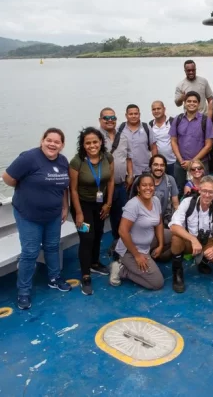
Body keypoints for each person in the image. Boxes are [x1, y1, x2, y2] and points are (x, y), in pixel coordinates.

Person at [3, 128, 72, 310]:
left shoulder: (63, 161)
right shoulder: (29, 158)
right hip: (28, 215)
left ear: (62, 145)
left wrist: (65, 206)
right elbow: (8, 178)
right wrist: (26, 190)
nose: (52, 144)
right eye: (49, 140)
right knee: (30, 252)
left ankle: (54, 278)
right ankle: (24, 291)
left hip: (53, 215)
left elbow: (64, 186)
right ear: (42, 140)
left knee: (52, 246)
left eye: (57, 142)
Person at [69, 127, 115, 295]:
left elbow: (110, 181)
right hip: (81, 205)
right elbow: (73, 189)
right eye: (87, 143)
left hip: (100, 203)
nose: (92, 145)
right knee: (86, 237)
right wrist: (79, 213)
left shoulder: (107, 157)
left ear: (101, 142)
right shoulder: (77, 162)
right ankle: (86, 275)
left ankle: (94, 263)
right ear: (83, 145)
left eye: (95, 142)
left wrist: (108, 203)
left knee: (99, 233)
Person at [169, 176, 213, 293]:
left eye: (211, 192)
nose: (207, 195)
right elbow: (174, 226)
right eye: (205, 191)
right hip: (189, 241)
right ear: (199, 190)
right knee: (176, 238)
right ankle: (177, 272)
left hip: (208, 240)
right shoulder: (187, 202)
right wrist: (193, 239)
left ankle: (203, 260)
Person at [109, 174, 165, 291]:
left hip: (147, 241)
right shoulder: (133, 205)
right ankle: (121, 269)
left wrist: (161, 245)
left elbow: (159, 223)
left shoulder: (155, 201)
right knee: (157, 283)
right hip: (131, 250)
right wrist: (137, 256)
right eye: (144, 185)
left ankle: (153, 256)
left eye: (151, 185)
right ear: (138, 188)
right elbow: (122, 231)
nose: (148, 188)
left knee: (173, 235)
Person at [99, 107, 134, 252]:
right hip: (102, 187)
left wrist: (130, 174)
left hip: (120, 184)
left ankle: (118, 241)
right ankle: (97, 245)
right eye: (106, 118)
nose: (110, 121)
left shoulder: (123, 137)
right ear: (100, 120)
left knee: (120, 215)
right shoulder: (96, 138)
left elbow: (128, 157)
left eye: (113, 118)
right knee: (101, 215)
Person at [169, 91, 213, 196]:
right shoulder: (178, 119)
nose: (191, 103)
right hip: (181, 164)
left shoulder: (205, 120)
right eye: (189, 101)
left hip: (200, 164)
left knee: (203, 190)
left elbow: (208, 145)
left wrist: (192, 162)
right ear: (184, 103)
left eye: (194, 101)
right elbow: (173, 141)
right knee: (179, 190)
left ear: (199, 104)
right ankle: (181, 211)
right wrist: (181, 160)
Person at [145, 154, 178, 262]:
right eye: (155, 165)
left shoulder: (170, 180)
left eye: (162, 165)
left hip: (162, 224)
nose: (159, 168)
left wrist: (177, 225)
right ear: (150, 166)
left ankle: (156, 248)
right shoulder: (142, 181)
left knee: (177, 241)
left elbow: (176, 204)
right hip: (144, 226)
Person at [120, 104, 157, 177]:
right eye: (131, 114)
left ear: (139, 114)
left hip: (144, 171)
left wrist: (154, 165)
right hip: (126, 173)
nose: (133, 116)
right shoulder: (120, 129)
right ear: (126, 115)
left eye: (136, 114)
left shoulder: (146, 127)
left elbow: (153, 147)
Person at [150, 101, 176, 176]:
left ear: (164, 109)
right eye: (154, 109)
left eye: (159, 108)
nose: (156, 111)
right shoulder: (150, 124)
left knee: (175, 185)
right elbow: (153, 145)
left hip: (174, 162)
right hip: (160, 164)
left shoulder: (173, 122)